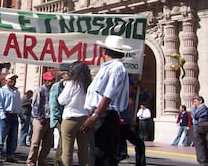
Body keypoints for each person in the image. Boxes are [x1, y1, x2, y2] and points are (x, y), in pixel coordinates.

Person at [81, 35, 131, 166]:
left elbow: (108, 95)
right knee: (97, 156)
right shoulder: (108, 67)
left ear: (105, 51)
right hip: (100, 115)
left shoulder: (116, 68)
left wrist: (94, 117)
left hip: (105, 116)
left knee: (102, 156)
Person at [57, 61, 91, 166]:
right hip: (85, 118)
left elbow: (61, 100)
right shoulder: (89, 84)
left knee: (67, 151)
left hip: (71, 118)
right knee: (84, 150)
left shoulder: (72, 84)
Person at [26, 71, 56, 166]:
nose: (51, 82)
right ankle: (31, 161)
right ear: (45, 81)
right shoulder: (39, 91)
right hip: (40, 120)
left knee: (47, 144)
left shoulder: (53, 91)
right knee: (35, 143)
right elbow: (35, 106)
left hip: (49, 119)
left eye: (53, 80)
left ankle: (41, 160)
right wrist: (40, 117)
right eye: (49, 80)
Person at [117, 77, 146, 166]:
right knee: (116, 148)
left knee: (139, 144)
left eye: (132, 86)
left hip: (126, 126)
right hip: (118, 125)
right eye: (129, 85)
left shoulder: (134, 96)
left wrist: (142, 88)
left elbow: (146, 97)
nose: (131, 88)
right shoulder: (119, 96)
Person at [0, 72, 22, 163]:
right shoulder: (2, 90)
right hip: (5, 115)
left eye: (14, 80)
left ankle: (10, 155)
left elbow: (19, 105)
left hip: (14, 116)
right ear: (6, 80)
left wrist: (22, 116)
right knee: (0, 136)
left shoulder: (17, 92)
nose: (13, 81)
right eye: (10, 79)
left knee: (13, 137)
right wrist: (2, 115)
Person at [49, 63, 70, 166]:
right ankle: (57, 163)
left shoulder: (71, 85)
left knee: (64, 143)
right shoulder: (57, 87)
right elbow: (53, 104)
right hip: (60, 119)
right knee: (62, 143)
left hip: (68, 118)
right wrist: (57, 120)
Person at [190, 95, 208, 165]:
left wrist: (193, 110)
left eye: (195, 101)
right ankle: (202, 160)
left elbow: (194, 115)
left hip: (200, 128)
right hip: (198, 128)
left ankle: (202, 161)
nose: (194, 103)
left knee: (200, 145)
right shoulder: (199, 108)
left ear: (200, 101)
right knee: (199, 145)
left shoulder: (203, 108)